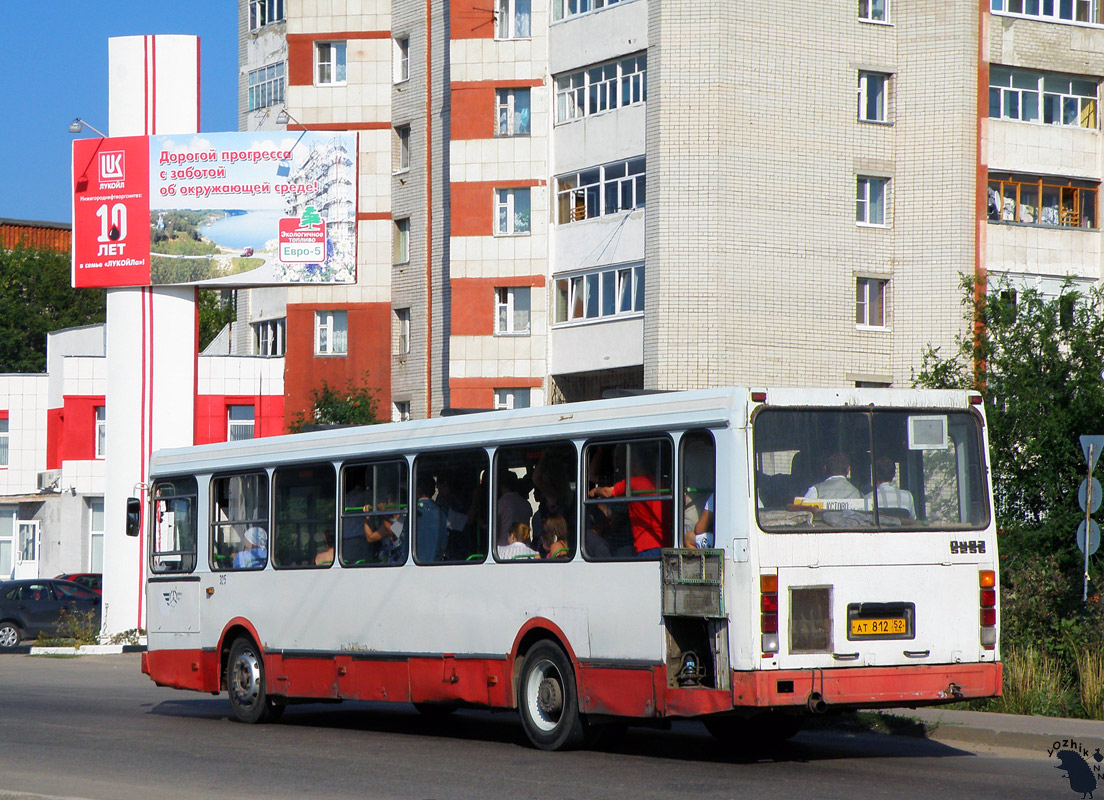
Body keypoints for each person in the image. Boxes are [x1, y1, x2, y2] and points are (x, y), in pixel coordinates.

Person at [589, 450, 669, 558]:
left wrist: (595, 490)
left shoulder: (632, 483)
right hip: (666, 542)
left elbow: (607, 492)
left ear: (634, 465)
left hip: (646, 545)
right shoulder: (662, 484)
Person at [415, 474, 448, 563]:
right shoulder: (442, 512)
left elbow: (395, 531)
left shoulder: (409, 511)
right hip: (436, 562)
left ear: (417, 489)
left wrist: (384, 515)